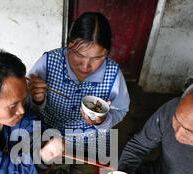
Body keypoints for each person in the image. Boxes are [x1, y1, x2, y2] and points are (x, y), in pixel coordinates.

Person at [27, 12, 130, 155]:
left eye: (98, 58)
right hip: (47, 132)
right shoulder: (49, 61)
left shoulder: (113, 72)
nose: (85, 66)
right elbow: (25, 105)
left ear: (107, 53)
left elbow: (121, 110)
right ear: (69, 44)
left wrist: (103, 121)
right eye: (79, 55)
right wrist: (37, 100)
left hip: (91, 137)